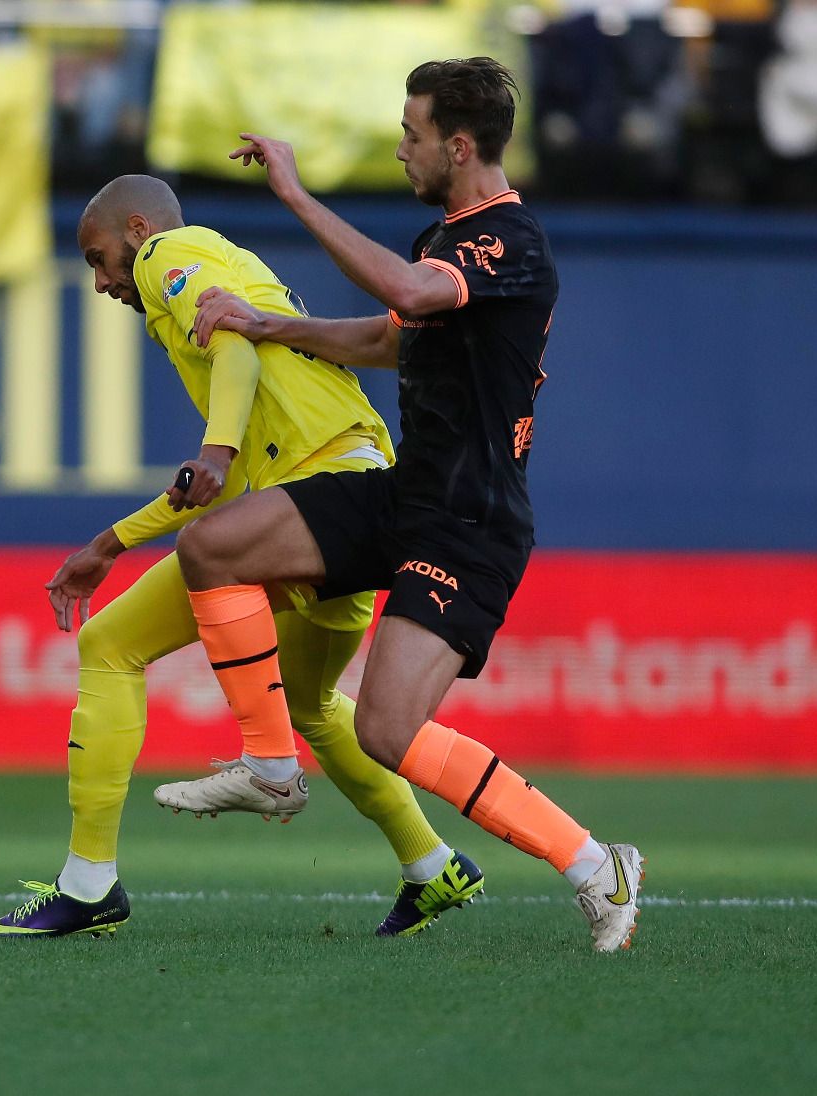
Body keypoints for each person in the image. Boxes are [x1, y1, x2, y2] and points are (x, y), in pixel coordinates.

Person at [159, 58, 645, 951]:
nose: (400, 149)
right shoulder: (441, 242)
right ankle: (270, 762)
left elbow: (413, 298)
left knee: (386, 730)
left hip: (470, 520)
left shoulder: (510, 240)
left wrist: (298, 198)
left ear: (460, 147)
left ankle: (593, 864)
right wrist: (266, 326)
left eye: (412, 134)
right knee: (213, 549)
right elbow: (390, 337)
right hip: (406, 495)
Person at [0, 173, 482, 939]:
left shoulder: (170, 255)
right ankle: (431, 864)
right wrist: (110, 542)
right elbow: (218, 487)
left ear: (137, 230)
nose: (103, 280)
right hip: (354, 485)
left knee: (109, 646)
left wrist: (213, 449)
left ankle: (89, 884)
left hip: (314, 495)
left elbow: (237, 346)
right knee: (314, 703)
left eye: (99, 257)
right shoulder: (236, 275)